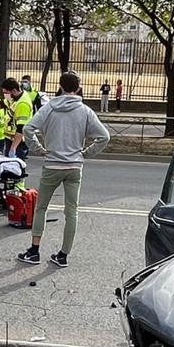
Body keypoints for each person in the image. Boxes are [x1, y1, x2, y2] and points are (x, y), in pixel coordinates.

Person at [17, 72, 110, 268]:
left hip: (52, 164)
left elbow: (27, 129)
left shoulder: (49, 107)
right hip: (74, 166)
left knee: (41, 207)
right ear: (78, 88)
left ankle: (34, 251)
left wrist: (39, 149)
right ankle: (63, 255)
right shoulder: (85, 111)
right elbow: (104, 137)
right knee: (71, 212)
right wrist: (85, 153)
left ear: (60, 86)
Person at [2, 77, 32, 158]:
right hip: (12, 139)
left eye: (6, 93)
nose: (5, 95)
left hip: (18, 143)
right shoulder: (16, 97)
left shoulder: (22, 104)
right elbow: (1, 104)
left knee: (16, 167)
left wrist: (13, 148)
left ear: (14, 91)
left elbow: (21, 128)